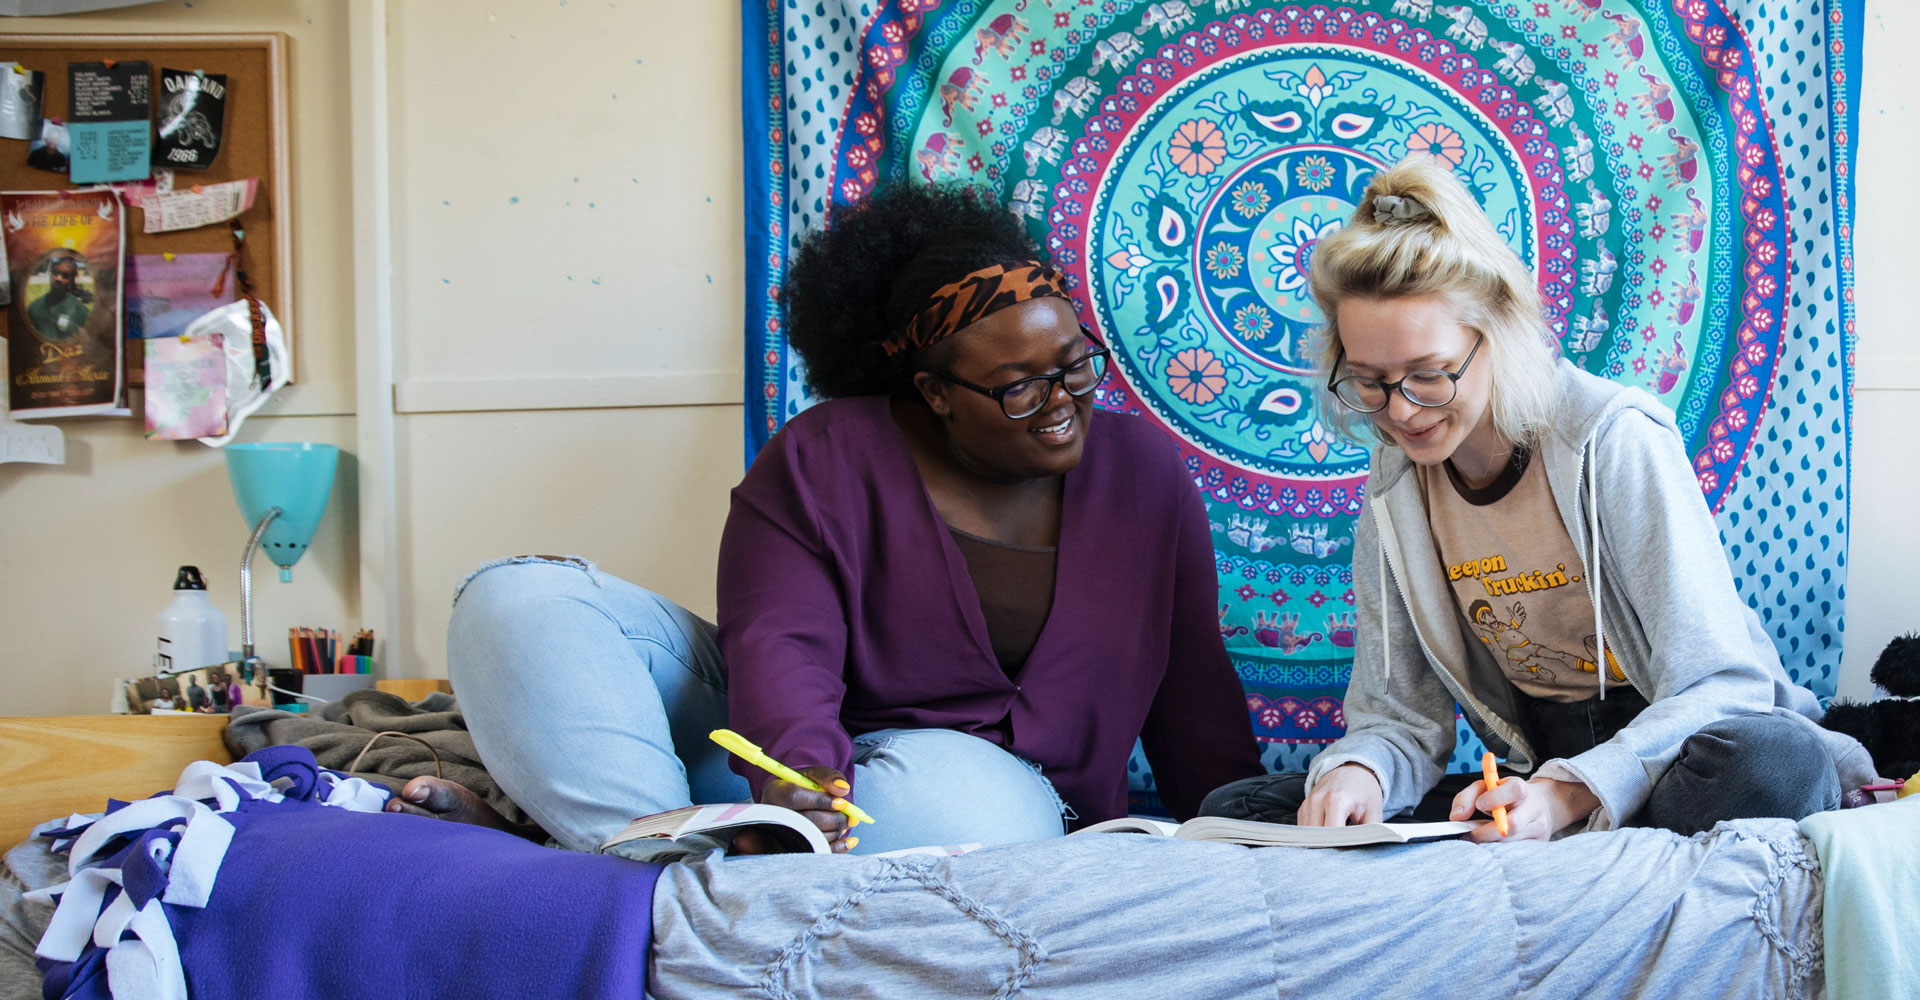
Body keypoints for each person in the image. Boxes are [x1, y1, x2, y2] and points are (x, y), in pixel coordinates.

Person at [420, 183, 1263, 855]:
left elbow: (1193, 687)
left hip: (980, 804)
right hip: (793, 772)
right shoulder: (824, 455)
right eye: (1018, 385)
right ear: (933, 393)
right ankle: (649, 855)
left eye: (1075, 364)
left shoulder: (1145, 475)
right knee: (517, 602)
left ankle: (616, 863)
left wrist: (1250, 835)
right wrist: (801, 781)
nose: (1063, 403)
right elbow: (779, 639)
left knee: (975, 809)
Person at [1200, 157, 1872, 841]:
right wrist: (1361, 772)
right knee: (1241, 811)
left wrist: (1570, 791)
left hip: (1684, 751)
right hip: (1545, 767)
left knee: (1774, 768)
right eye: (1369, 381)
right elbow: (1399, 717)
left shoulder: (1613, 438)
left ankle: (1575, 831)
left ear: (1499, 334)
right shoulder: (1396, 485)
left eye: (1428, 375)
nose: (1400, 413)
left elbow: (1725, 685)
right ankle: (1572, 842)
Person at [27, 254, 90, 340]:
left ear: (71, 282)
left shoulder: (81, 312)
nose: (58, 278)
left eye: (65, 276)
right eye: (55, 273)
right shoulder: (35, 308)